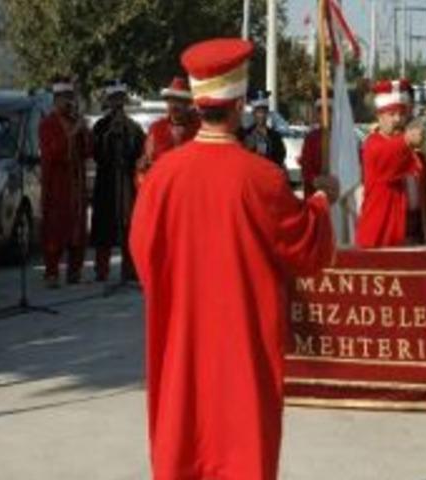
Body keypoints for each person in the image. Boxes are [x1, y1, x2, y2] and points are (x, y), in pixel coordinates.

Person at [129, 38, 339, 480]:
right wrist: (321, 200)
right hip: (243, 338)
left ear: (198, 100)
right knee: (241, 440)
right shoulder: (262, 177)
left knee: (186, 432)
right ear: (240, 102)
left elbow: (143, 255)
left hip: (182, 332)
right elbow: (305, 249)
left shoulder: (162, 176)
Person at [355, 78, 426, 247]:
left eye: (401, 114)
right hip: (383, 229)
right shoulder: (372, 143)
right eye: (392, 114)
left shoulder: (409, 146)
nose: (397, 119)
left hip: (412, 228)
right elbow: (386, 158)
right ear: (379, 116)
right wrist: (406, 141)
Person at [39, 76, 92, 288]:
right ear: (55, 99)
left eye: (70, 97)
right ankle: (51, 273)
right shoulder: (47, 124)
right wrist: (73, 133)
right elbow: (53, 153)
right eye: (64, 98)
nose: (68, 102)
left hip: (76, 185)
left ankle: (74, 272)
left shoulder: (74, 121)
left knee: (77, 229)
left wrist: (85, 131)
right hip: (57, 185)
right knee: (55, 228)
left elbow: (88, 151)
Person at [90, 80, 145, 282]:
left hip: (126, 184)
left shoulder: (134, 127)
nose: (118, 104)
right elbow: (96, 154)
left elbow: (139, 154)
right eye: (114, 100)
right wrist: (109, 135)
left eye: (120, 99)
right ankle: (101, 270)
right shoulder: (100, 127)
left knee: (128, 225)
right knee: (103, 226)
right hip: (106, 183)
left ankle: (128, 269)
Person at [135, 77, 200, 186]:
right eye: (171, 101)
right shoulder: (156, 129)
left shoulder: (199, 130)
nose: (174, 105)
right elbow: (146, 162)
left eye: (179, 101)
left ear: (188, 104)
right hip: (164, 187)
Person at [240, 89, 287, 170]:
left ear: (267, 113)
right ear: (253, 113)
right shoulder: (244, 135)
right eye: (258, 112)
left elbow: (280, 157)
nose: (261, 115)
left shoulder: (275, 136)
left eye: (263, 112)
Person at [299, 96, 329, 198]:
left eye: (328, 112)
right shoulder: (311, 138)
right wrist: (315, 181)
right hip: (315, 193)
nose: (324, 116)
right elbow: (306, 166)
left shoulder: (339, 138)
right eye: (321, 112)